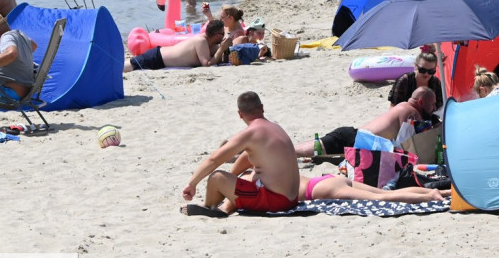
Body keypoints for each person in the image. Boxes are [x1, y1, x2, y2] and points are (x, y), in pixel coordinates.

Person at [180, 92, 300, 217]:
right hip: (292, 200)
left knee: (217, 178)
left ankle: (210, 207)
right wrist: (232, 177)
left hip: (275, 202)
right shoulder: (276, 128)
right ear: (262, 108)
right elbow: (246, 158)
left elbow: (214, 160)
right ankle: (225, 206)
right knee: (247, 175)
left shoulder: (250, 133)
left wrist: (192, 184)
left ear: (240, 114)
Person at [294, 87, 437, 156]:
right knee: (304, 150)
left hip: (353, 136)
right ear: (421, 101)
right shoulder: (412, 113)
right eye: (432, 104)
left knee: (312, 146)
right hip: (355, 140)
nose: (434, 108)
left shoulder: (403, 107)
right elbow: (411, 144)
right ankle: (283, 153)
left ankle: (286, 150)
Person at [125, 20, 231, 72]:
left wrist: (224, 50)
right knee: (126, 66)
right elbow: (206, 65)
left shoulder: (208, 43)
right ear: (216, 35)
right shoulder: (201, 41)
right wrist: (222, 48)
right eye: (223, 34)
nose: (224, 36)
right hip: (157, 58)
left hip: (160, 57)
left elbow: (218, 59)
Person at [297, 174, 445, 204]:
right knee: (387, 193)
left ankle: (430, 196)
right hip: (328, 179)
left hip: (319, 189)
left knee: (380, 198)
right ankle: (446, 192)